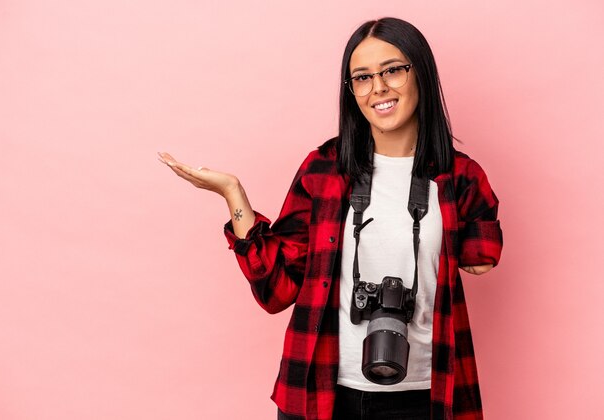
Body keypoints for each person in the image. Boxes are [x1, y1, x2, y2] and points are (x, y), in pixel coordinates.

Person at [158, 17, 503, 420]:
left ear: (421, 73)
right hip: (324, 392)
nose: (379, 88)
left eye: (392, 70)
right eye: (362, 77)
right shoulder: (324, 168)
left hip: (424, 394)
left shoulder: (459, 176)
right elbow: (276, 290)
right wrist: (233, 193)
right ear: (351, 89)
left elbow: (481, 258)